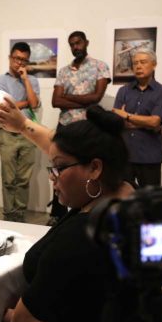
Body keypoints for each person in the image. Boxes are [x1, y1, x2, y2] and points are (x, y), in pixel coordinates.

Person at [0, 97, 131, 322]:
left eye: (57, 170)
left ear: (95, 168)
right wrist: (23, 126)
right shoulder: (126, 194)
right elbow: (65, 151)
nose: (53, 180)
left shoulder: (78, 238)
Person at [49, 31, 111, 222]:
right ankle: (58, 215)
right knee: (60, 170)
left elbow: (96, 97)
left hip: (87, 129)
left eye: (78, 43)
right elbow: (54, 101)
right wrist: (84, 101)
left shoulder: (100, 66)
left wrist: (67, 97)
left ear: (86, 42)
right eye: (72, 44)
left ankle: (88, 212)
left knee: (86, 170)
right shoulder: (64, 71)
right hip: (65, 127)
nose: (76, 47)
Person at [0, 41, 41, 222]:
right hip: (7, 132)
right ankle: (8, 215)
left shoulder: (33, 80)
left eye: (23, 60)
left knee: (23, 179)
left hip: (29, 133)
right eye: (16, 58)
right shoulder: (0, 80)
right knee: (8, 179)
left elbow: (34, 104)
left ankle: (20, 216)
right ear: (10, 58)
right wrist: (24, 102)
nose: (19, 63)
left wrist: (25, 79)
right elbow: (4, 105)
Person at [112, 50, 162, 187]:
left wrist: (127, 116)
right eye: (135, 63)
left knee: (150, 202)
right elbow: (116, 119)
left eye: (143, 62)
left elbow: (155, 121)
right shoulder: (124, 91)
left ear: (154, 65)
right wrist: (146, 123)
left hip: (149, 156)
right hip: (125, 155)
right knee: (123, 200)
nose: (138, 66)